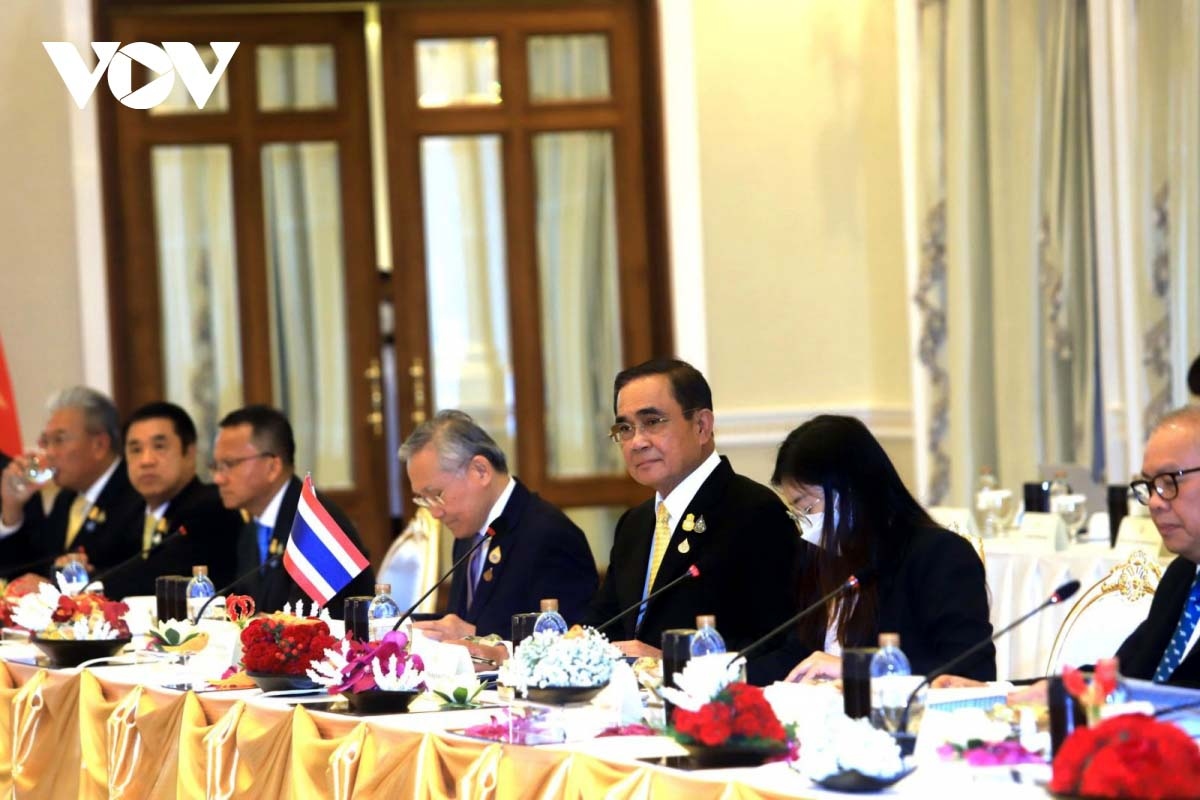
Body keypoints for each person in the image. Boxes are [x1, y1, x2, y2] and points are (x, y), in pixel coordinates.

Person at [582, 358, 804, 657]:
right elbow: (604, 624)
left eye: (652, 422)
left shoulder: (754, 512)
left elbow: (778, 646)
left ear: (701, 426)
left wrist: (671, 663)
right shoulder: (634, 523)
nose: (636, 442)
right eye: (625, 427)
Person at [761, 414, 995, 685]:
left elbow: (970, 671)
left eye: (808, 508)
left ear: (849, 490)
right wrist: (729, 674)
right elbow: (797, 655)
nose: (806, 526)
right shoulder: (825, 560)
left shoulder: (939, 554)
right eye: (797, 514)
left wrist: (857, 667)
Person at [400, 410, 598, 641]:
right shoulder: (469, 534)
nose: (434, 512)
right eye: (423, 499)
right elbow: (470, 620)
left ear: (480, 471)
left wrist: (477, 637)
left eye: (436, 495)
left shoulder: (550, 535)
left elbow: (568, 644)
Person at [211, 405, 375, 617]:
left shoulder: (317, 526)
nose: (218, 478)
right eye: (215, 466)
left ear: (273, 466)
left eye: (229, 464)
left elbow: (307, 624)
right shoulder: (253, 526)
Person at [101, 402, 243, 599]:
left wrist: (89, 583)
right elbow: (108, 562)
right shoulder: (126, 511)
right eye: (135, 450)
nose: (146, 460)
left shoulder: (212, 507)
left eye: (159, 446)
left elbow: (158, 578)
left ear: (190, 452)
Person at [0, 387, 142, 577]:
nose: (49, 453)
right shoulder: (66, 498)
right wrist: (12, 508)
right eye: (45, 441)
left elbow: (132, 576)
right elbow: (30, 569)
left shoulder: (137, 495)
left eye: (59, 440)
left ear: (99, 445)